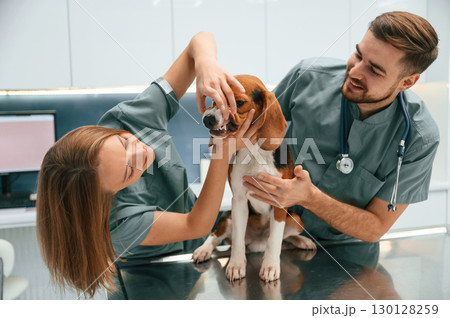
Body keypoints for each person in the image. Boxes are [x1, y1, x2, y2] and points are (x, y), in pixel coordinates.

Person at [36, 31, 257, 298]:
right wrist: (224, 145)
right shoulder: (117, 223)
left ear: (109, 132)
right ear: (110, 196)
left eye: (125, 143)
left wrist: (206, 64)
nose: (141, 154)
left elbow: (197, 42)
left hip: (196, 257)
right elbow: (195, 224)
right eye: (130, 172)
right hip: (148, 280)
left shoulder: (129, 118)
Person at [240, 11, 440, 243]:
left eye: (374, 70)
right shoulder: (307, 77)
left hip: (346, 253)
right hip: (266, 231)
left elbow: (375, 228)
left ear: (407, 82)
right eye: (358, 54)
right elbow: (251, 130)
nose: (354, 72)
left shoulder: (419, 138)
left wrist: (309, 197)